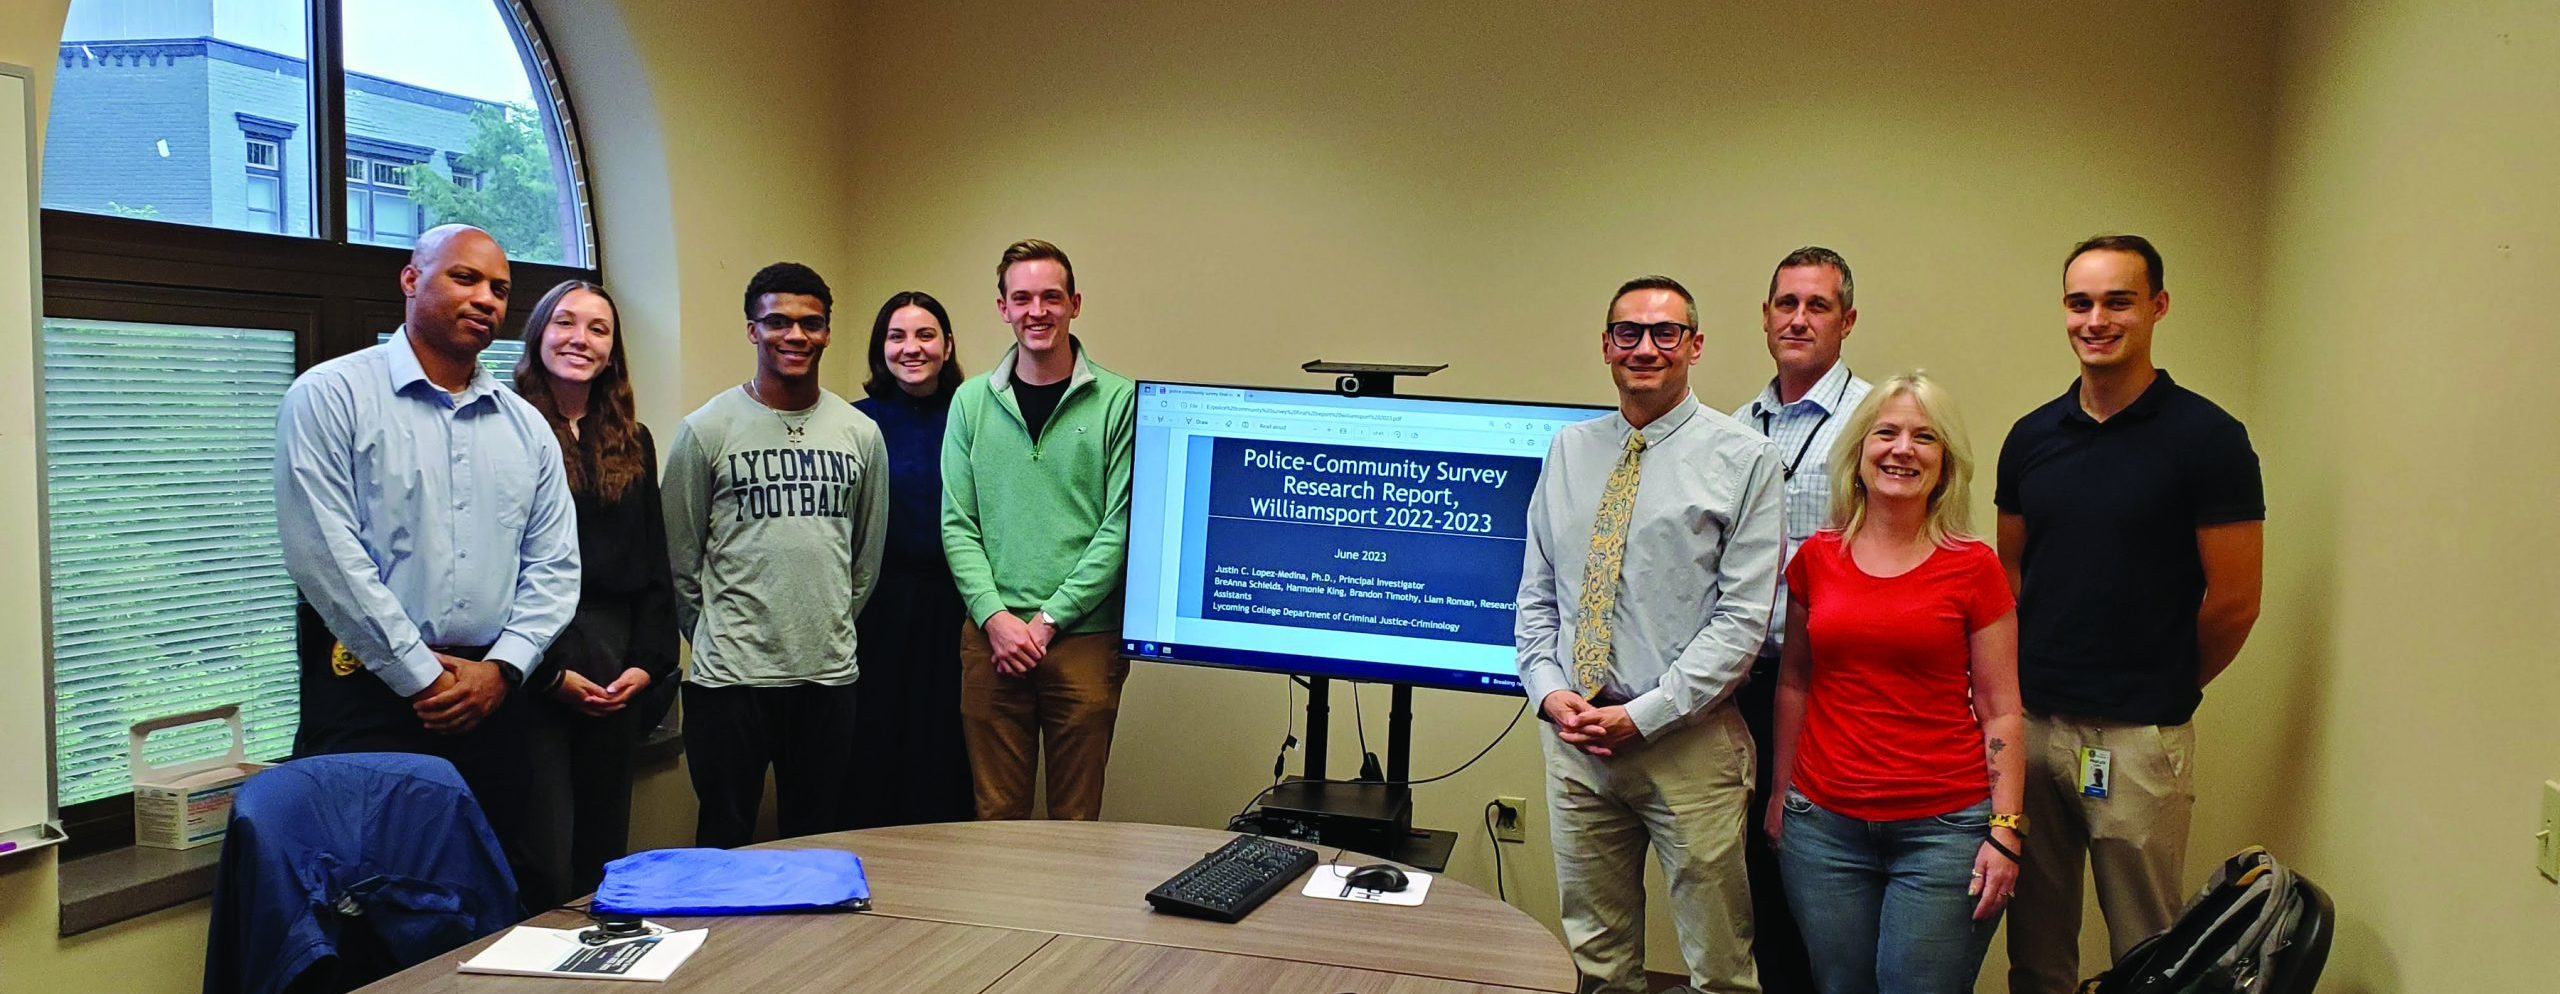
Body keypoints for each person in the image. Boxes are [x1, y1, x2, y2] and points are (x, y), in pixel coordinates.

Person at [275, 224, 579, 904]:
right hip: (368, 696)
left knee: (488, 901)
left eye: (500, 289)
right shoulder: (331, 395)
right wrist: (421, 676)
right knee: (370, 904)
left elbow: (555, 566)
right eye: (464, 278)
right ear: (411, 281)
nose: (486, 299)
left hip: (493, 698)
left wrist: (503, 669)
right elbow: (325, 557)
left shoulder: (526, 426)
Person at [1996, 235, 2264, 994]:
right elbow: (2010, 577)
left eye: (2118, 301)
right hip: (2034, 729)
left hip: (2138, 740)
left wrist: (2160, 685)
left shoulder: (2209, 439)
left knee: (2147, 950)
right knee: (2036, 946)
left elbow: (2236, 601)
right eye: (2081, 303)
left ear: (2158, 306)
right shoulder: (2032, 437)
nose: (2097, 320)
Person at [1516, 275, 1784, 994]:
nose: (1645, 347)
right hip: (1577, 749)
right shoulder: (1568, 450)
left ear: (1695, 346)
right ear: (1606, 346)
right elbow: (1538, 595)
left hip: (1687, 746)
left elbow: (1742, 621)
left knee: (1719, 968)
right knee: (1598, 962)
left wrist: (1644, 715)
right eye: (1628, 332)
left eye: (1666, 332)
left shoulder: (1745, 457)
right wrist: (1548, 693)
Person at [1762, 372, 2024, 994]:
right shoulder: (1816, 558)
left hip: (1944, 832)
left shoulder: (1974, 567)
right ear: (1858, 452)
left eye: (1924, 437)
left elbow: (2001, 709)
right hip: (1822, 828)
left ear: (1945, 463)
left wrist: (2007, 830)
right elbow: (1795, 682)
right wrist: (1780, 795)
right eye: (1886, 433)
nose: (1902, 449)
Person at [662, 262, 890, 849]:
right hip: (730, 680)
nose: (795, 335)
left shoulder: (860, 433)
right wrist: (716, 633)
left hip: (827, 675)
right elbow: (679, 561)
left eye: (810, 323)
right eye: (778, 322)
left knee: (816, 841)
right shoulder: (706, 430)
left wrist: (827, 621)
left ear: (828, 332)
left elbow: (865, 559)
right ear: (752, 330)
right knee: (724, 839)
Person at [942, 239, 1137, 821]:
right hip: (991, 640)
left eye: (1051, 297)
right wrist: (996, 619)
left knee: (1077, 821)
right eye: (1022, 298)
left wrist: (1048, 622)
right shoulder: (970, 402)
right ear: (1003, 307)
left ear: (1074, 304)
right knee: (996, 817)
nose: (1037, 311)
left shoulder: (1119, 401)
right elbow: (958, 524)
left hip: (1084, 640)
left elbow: (1119, 527)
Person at [507, 280, 680, 904]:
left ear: (612, 352)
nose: (580, 339)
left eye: (598, 329)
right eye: (565, 322)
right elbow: (493, 570)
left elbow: (655, 562)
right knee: (543, 854)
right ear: (538, 335)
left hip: (616, 664)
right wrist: (550, 675)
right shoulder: (504, 428)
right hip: (533, 662)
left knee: (603, 851)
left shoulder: (634, 440)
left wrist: (647, 664)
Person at [1731, 246, 1873, 994]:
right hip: (1742, 683)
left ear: (1846, 321)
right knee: (1757, 872)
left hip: (1832, 687)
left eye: (1818, 306)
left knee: (1829, 886)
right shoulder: (1735, 427)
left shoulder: (1874, 422)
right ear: (1765, 317)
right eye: (1786, 304)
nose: (1798, 319)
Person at [845, 290, 974, 827]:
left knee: (943, 748)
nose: (911, 348)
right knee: (872, 747)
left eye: (925, 335)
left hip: (955, 606)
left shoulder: (972, 416)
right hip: (875, 608)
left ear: (948, 345)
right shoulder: (855, 423)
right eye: (896, 336)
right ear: (881, 347)